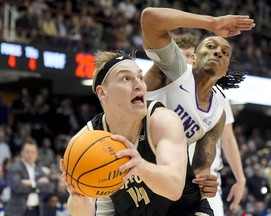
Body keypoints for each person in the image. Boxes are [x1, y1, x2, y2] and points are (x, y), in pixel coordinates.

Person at [141, 6, 255, 215]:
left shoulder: (217, 114)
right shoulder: (176, 71)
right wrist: (212, 23)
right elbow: (149, 18)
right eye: (210, 46)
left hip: (168, 181)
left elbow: (202, 168)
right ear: (193, 57)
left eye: (225, 53)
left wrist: (207, 183)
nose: (218, 52)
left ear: (225, 70)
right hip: (131, 164)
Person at [60, 50, 191, 215]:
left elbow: (175, 187)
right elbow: (83, 213)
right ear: (102, 92)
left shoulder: (161, 120)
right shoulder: (85, 140)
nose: (139, 84)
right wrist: (79, 195)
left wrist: (141, 166)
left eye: (140, 77)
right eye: (126, 78)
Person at [5, 137, 55, 216]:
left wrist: (32, 183)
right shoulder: (15, 167)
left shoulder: (39, 169)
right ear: (22, 152)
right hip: (18, 212)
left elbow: (49, 187)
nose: (30, 154)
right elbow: (17, 187)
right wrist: (38, 185)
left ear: (36, 154)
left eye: (33, 152)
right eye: (27, 152)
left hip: (36, 211)